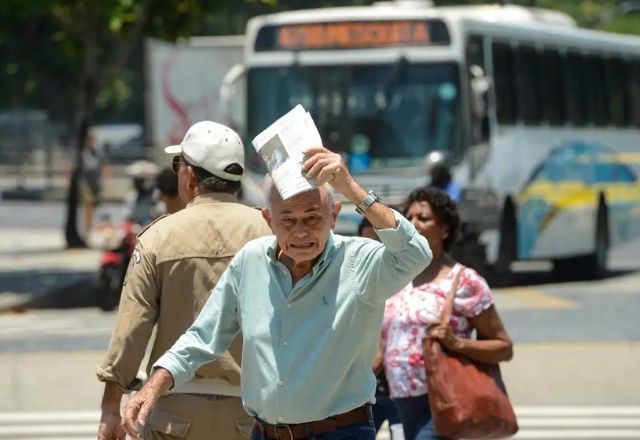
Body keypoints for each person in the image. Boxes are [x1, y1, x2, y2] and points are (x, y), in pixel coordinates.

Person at [121, 146, 433, 440]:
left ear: (334, 216)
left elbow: (416, 254)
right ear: (269, 220)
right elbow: (203, 337)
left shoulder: (360, 261)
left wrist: (351, 187)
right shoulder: (251, 260)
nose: (300, 232)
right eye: (288, 220)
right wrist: (154, 386)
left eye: (312, 218)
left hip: (340, 432)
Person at [96, 121, 272, 440]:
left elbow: (131, 329)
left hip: (174, 410)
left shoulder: (158, 238)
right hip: (255, 411)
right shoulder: (270, 232)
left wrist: (111, 407)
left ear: (189, 176)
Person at [381, 187, 513, 440]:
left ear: (445, 229)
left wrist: (457, 343)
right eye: (409, 217)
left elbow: (503, 347)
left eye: (424, 218)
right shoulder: (395, 275)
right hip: (397, 398)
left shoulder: (464, 281)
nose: (413, 223)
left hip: (441, 399)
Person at [358, 217, 403, 439]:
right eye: (367, 242)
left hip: (404, 393)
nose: (373, 250)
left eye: (379, 241)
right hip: (365, 394)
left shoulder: (407, 280)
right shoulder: (355, 283)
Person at [79, 131, 110, 240]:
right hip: (84, 181)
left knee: (93, 205)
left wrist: (105, 180)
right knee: (89, 203)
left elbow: (104, 166)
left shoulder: (97, 152)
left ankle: (89, 225)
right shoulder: (81, 152)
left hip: (95, 182)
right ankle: (87, 227)